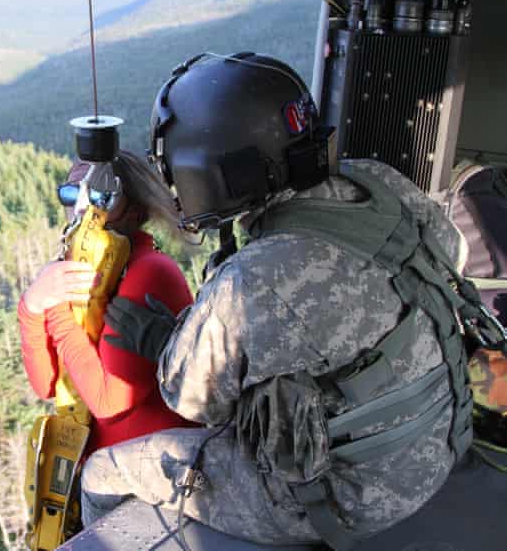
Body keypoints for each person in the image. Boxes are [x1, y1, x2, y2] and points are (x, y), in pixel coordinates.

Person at [79, 52, 492, 550]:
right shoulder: (378, 181)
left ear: (211, 174)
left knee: (103, 471)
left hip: (359, 496)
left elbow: (193, 400)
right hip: (440, 440)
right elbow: (453, 250)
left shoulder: (255, 279)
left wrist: (165, 339)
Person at [18, 149, 199, 460]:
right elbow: (47, 385)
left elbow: (108, 402)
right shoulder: (87, 271)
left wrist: (56, 308)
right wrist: (32, 307)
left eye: (100, 196)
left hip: (156, 473)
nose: (81, 208)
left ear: (135, 211)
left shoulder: (150, 272)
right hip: (111, 471)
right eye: (71, 193)